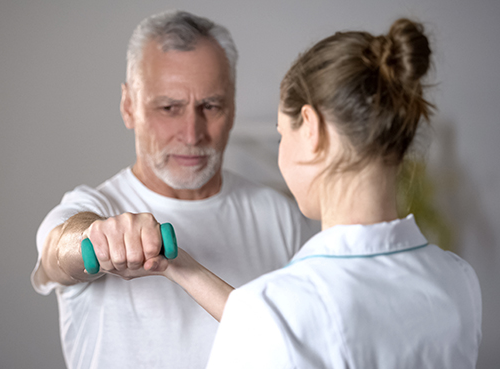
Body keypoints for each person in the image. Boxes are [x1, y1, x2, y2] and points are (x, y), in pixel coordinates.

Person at [158, 18, 482, 368]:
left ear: (311, 129)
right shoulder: (458, 279)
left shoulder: (270, 311)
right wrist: (185, 269)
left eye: (283, 135)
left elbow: (279, 323)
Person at [31, 10, 313, 369]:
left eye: (210, 106)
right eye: (169, 108)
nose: (192, 134)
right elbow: (58, 252)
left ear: (233, 106)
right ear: (129, 106)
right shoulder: (96, 204)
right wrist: (95, 237)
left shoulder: (281, 217)